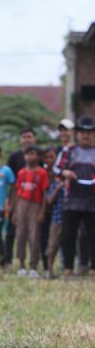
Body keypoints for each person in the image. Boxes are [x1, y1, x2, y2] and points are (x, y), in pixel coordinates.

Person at [59, 116, 95, 278]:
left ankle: (92, 268)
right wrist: (65, 172)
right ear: (77, 134)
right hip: (71, 202)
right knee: (68, 235)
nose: (86, 135)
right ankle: (68, 268)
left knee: (92, 236)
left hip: (92, 202)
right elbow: (56, 169)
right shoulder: (69, 151)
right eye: (82, 132)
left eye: (89, 132)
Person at [10, 145, 49, 277]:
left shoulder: (42, 172)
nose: (29, 157)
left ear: (38, 156)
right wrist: (14, 210)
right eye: (27, 154)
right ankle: (21, 265)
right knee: (20, 235)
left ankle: (33, 266)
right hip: (22, 204)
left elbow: (45, 194)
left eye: (32, 154)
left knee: (34, 236)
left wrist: (42, 212)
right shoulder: (21, 172)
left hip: (35, 205)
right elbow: (17, 192)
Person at [42, 146, 64, 279]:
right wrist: (59, 187)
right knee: (52, 244)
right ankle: (49, 269)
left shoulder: (66, 176)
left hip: (69, 215)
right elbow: (49, 199)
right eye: (47, 157)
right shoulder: (51, 179)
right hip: (56, 215)